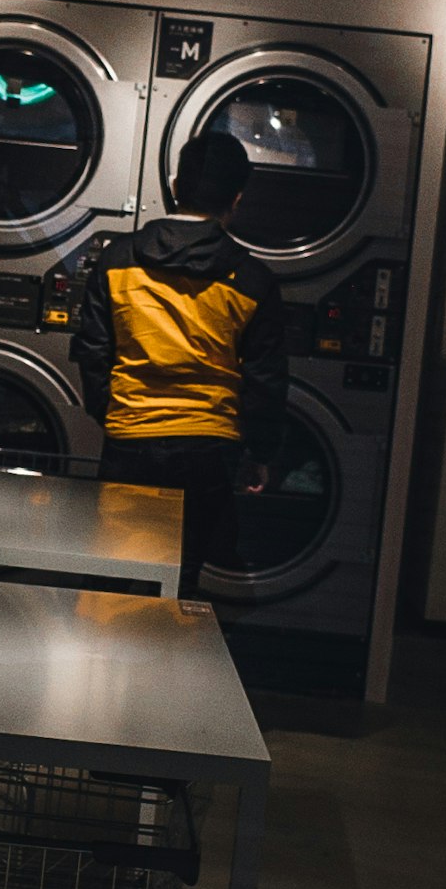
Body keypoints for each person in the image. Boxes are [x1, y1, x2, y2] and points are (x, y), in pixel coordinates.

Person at [70, 130, 288, 597]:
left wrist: (116, 415)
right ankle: (162, 660)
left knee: (112, 571)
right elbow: (264, 380)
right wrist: (261, 454)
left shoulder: (117, 259)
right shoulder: (252, 278)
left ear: (172, 185)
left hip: (131, 440)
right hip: (209, 449)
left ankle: (99, 663)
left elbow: (92, 352)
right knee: (179, 579)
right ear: (236, 199)